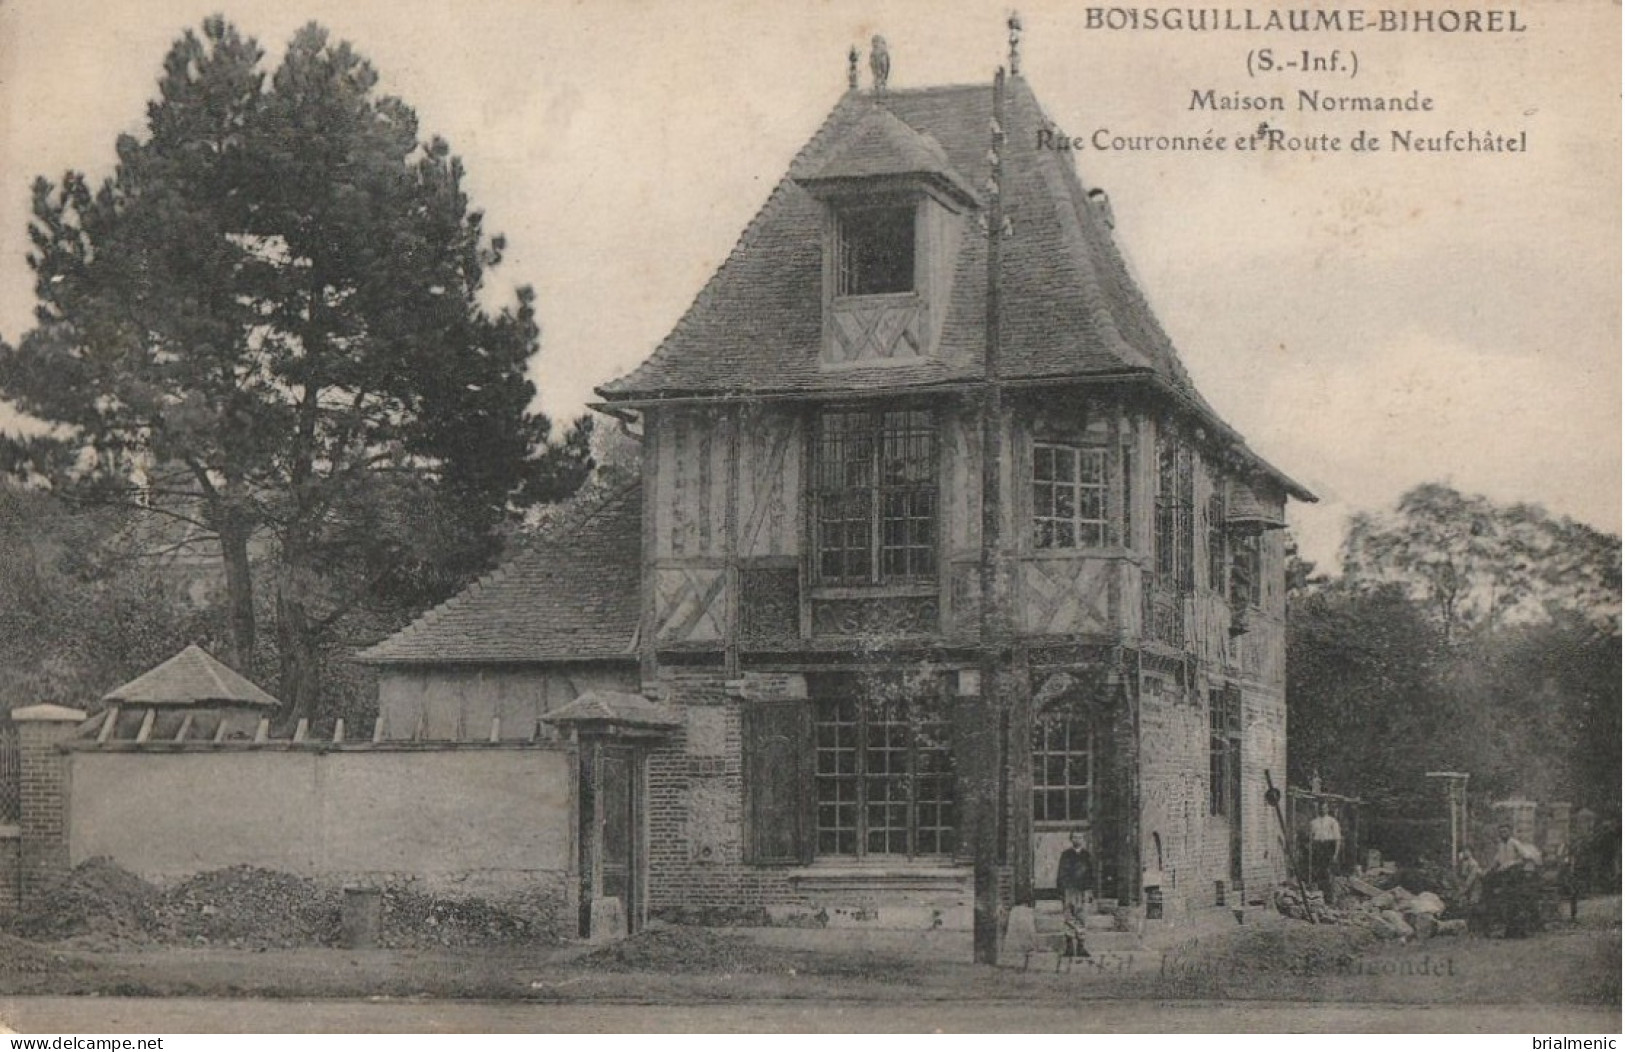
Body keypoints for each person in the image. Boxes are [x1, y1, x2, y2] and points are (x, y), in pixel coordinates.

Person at [1486, 823, 1542, 937]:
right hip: (1505, 876)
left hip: (1515, 877)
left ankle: (1520, 931)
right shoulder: (1501, 845)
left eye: (1505, 832)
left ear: (1509, 832)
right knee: (1507, 904)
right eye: (1501, 832)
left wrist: (1516, 864)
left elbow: (1526, 856)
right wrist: (1488, 870)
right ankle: (1509, 931)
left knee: (1516, 904)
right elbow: (1496, 860)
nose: (1503, 834)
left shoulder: (1514, 843)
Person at [1056, 826, 1095, 958]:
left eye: (1080, 837)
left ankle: (1081, 947)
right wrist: (1062, 890)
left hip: (1083, 890)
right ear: (1071, 839)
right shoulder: (1066, 855)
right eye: (1075, 837)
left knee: (1082, 917)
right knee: (1069, 917)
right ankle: (1069, 947)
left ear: (1083, 839)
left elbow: (1091, 874)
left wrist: (1090, 890)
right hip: (1069, 890)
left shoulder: (1086, 856)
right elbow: (1061, 873)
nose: (1077, 839)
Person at [1309, 800, 1342, 903]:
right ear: (1318, 809)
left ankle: (1330, 898)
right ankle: (1319, 897)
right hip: (1318, 847)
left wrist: (1335, 854)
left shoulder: (1332, 822)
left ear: (1327, 809)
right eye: (1320, 808)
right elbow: (1311, 838)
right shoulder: (1313, 822)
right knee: (1318, 871)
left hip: (1329, 846)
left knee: (1329, 872)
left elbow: (1337, 839)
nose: (1322, 810)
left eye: (1324, 808)